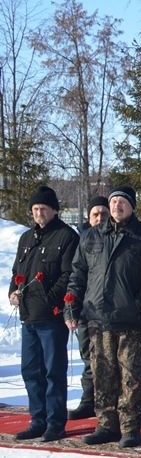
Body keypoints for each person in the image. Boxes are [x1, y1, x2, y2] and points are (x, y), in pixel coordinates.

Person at [65, 185, 141, 448]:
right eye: (114, 201)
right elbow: (78, 275)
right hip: (97, 318)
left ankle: (131, 426)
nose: (117, 206)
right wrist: (71, 306)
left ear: (132, 206)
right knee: (102, 375)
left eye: (123, 202)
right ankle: (106, 424)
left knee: (130, 377)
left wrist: (138, 303)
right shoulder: (91, 236)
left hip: (131, 320)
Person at [10, 186, 79, 442]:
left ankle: (55, 422)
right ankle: (37, 419)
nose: (39, 213)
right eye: (35, 209)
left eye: (43, 209)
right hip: (28, 317)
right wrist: (12, 292)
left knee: (53, 371)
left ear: (54, 210)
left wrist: (49, 300)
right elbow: (17, 271)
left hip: (51, 318)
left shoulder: (66, 236)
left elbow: (68, 275)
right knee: (30, 371)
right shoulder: (26, 238)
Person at [69, 195, 109, 421]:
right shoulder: (82, 240)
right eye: (96, 214)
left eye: (104, 213)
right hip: (86, 309)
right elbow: (76, 276)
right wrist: (72, 307)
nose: (100, 218)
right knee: (88, 358)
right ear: (89, 217)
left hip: (108, 311)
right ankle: (88, 399)